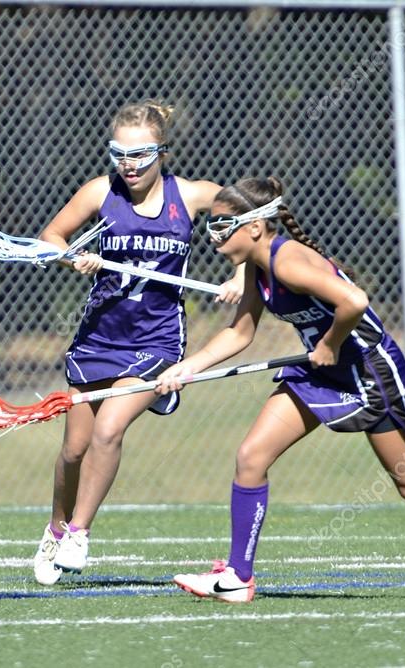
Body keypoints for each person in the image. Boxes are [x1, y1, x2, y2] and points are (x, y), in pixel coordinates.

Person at [157, 176, 405, 603]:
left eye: (223, 226)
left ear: (254, 227)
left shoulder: (288, 262)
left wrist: (328, 343)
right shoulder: (257, 269)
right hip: (319, 371)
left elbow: (355, 301)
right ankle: (238, 577)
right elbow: (239, 334)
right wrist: (186, 369)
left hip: (367, 370)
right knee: (251, 456)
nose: (214, 236)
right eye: (212, 227)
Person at [32, 100, 243, 586]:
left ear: (162, 152)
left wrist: (241, 270)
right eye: (119, 154)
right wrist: (70, 258)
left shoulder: (188, 197)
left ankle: (80, 533)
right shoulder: (99, 192)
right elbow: (51, 237)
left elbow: (251, 217)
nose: (129, 165)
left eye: (140, 155)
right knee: (73, 451)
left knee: (110, 428)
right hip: (99, 337)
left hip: (157, 342)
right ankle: (57, 527)